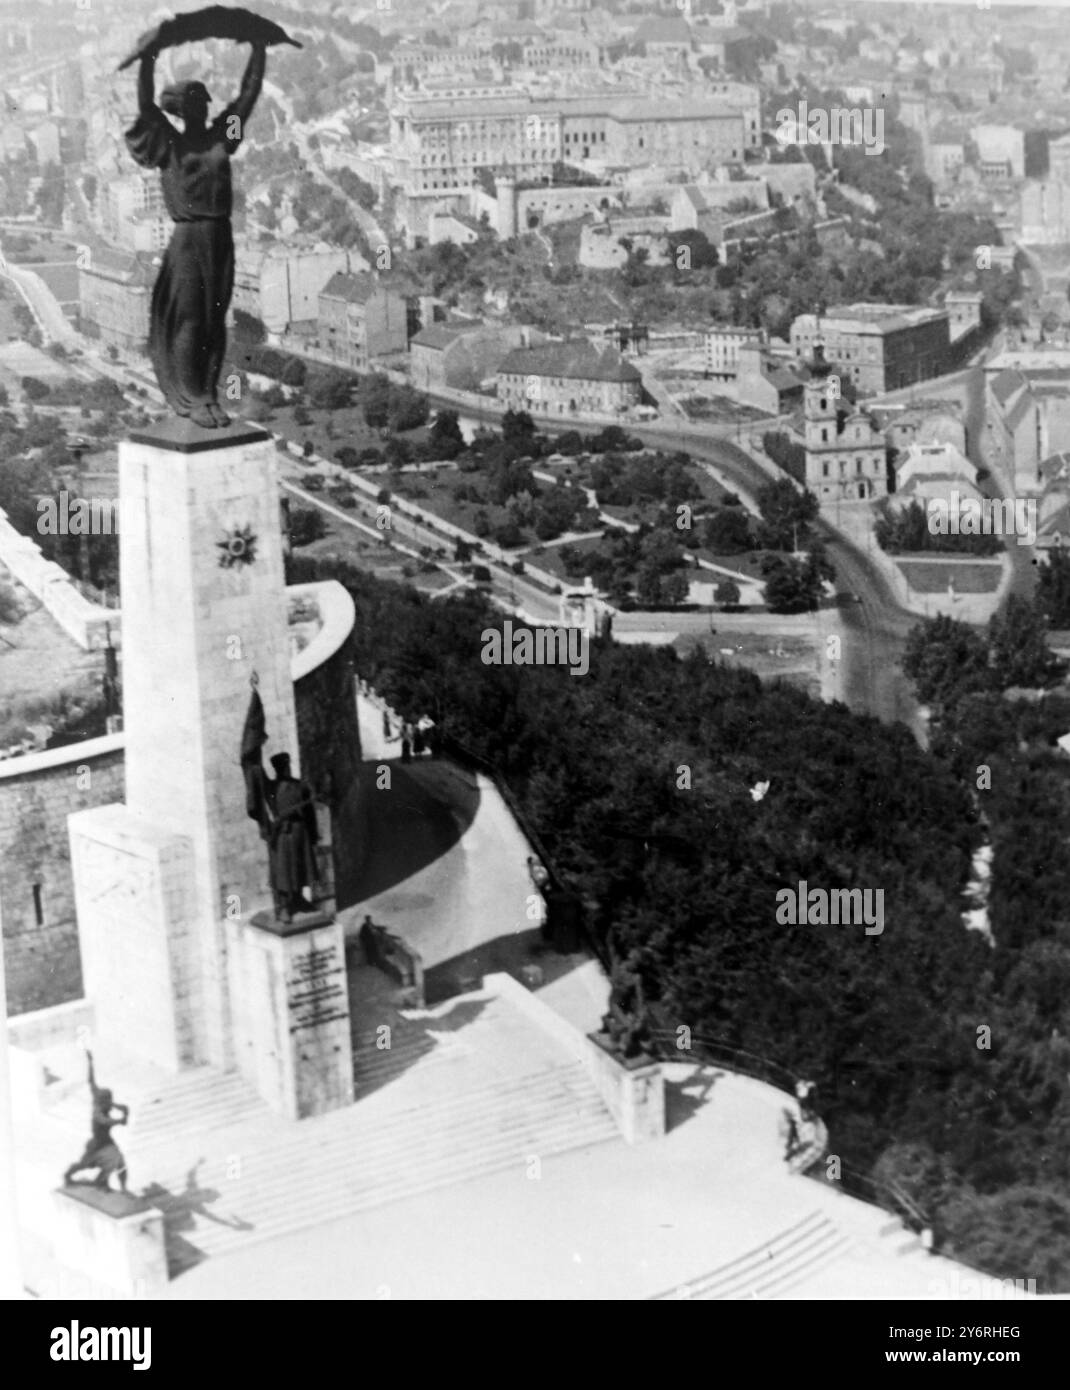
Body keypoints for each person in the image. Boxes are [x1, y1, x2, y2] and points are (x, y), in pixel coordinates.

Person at [125, 40, 266, 427]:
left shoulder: (225, 136)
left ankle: (209, 393)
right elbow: (145, 106)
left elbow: (247, 95)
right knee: (190, 318)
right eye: (194, 102)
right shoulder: (170, 143)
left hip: (220, 237)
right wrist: (149, 58)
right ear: (181, 109)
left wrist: (258, 45)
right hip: (188, 239)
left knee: (215, 320)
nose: (202, 107)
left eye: (204, 101)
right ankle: (193, 397)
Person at [64, 1049, 130, 1192]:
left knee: (120, 1162)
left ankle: (122, 1188)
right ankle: (68, 1175)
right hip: (97, 1144)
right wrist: (121, 1120)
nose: (111, 1103)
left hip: (107, 1142)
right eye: (109, 1101)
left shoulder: (99, 1099)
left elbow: (91, 1081)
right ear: (103, 1101)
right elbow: (106, 1121)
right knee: (85, 1164)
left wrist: (90, 1062)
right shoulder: (98, 1113)